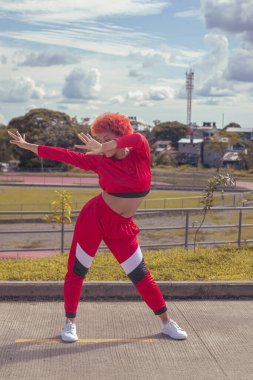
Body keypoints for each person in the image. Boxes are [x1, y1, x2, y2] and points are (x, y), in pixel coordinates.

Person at [8, 113, 187, 342]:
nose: (101, 143)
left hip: (121, 226)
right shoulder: (99, 160)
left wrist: (105, 146)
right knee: (77, 271)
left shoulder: (140, 152)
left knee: (141, 275)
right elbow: (64, 155)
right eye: (99, 139)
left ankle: (167, 323)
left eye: (106, 138)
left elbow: (137, 138)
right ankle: (69, 323)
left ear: (120, 136)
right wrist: (27, 145)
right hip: (94, 219)